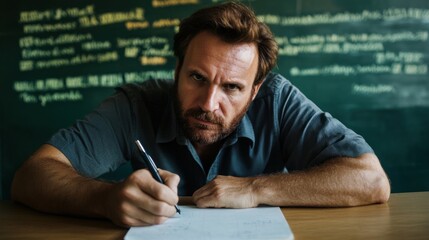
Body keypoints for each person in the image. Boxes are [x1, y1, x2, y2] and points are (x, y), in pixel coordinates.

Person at [11, 1, 390, 227]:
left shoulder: (277, 100)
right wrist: (105, 199)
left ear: (255, 90)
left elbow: (371, 181)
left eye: (232, 88)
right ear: (177, 70)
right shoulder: (137, 104)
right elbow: (31, 177)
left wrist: (256, 189)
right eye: (196, 77)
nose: (209, 103)